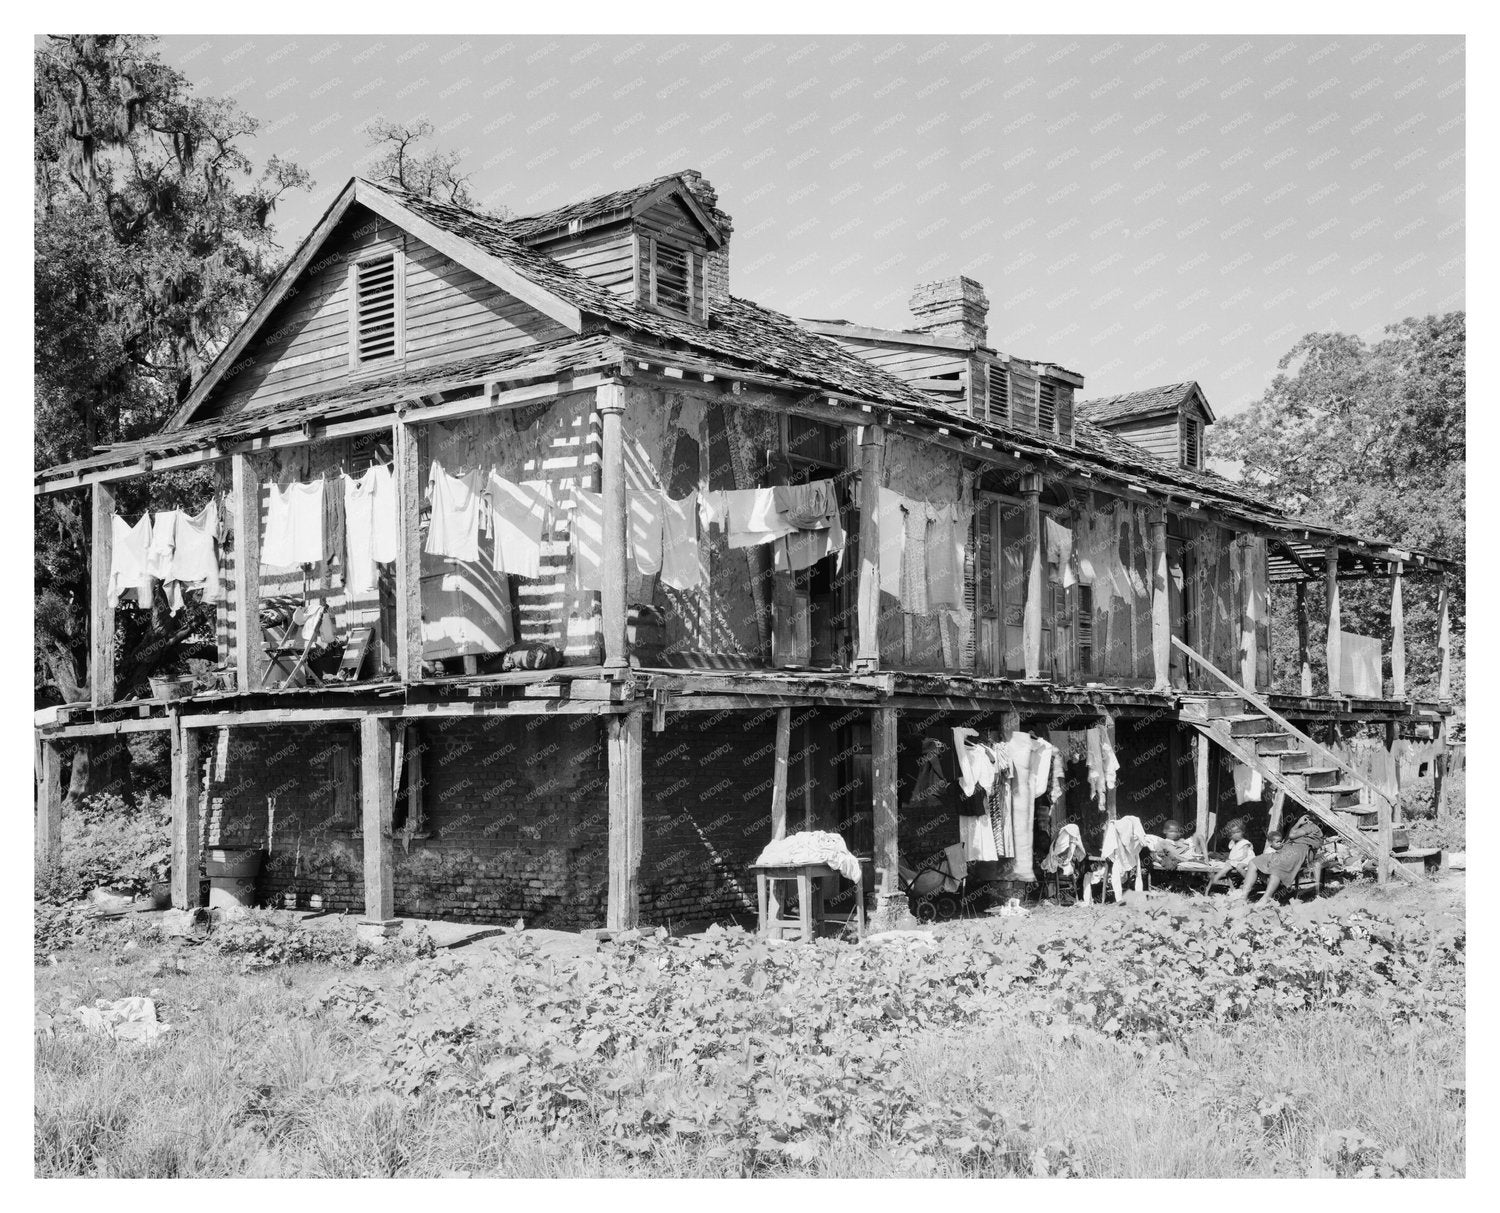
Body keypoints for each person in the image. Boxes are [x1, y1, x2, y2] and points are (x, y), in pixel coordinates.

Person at [1239, 814, 1324, 905]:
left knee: (1276, 868)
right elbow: (1293, 834)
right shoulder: (1308, 827)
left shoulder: (1311, 826)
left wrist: (1299, 822)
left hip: (1298, 852)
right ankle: (1243, 897)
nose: (1306, 820)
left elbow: (1291, 835)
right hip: (1287, 850)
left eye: (1306, 818)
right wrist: (1298, 824)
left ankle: (1265, 899)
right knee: (1254, 861)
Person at [1205, 821, 1256, 892]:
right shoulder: (1233, 843)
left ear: (1243, 832)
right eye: (1233, 833)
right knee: (1227, 866)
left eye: (1238, 832)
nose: (1235, 835)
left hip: (1247, 860)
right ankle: (1221, 880)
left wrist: (1235, 860)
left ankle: (1249, 882)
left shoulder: (1245, 842)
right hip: (1237, 860)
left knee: (1239, 867)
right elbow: (1234, 853)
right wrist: (1229, 860)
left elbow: (1244, 855)